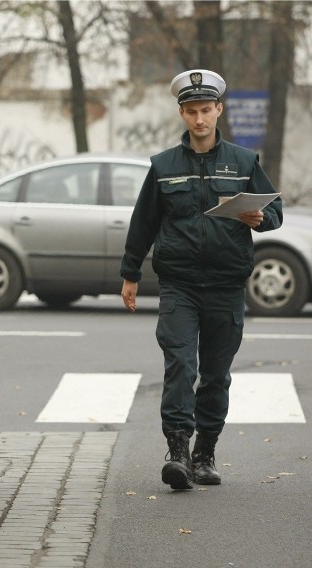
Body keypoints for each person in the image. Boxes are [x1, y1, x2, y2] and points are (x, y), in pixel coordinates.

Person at [119, 69, 283, 490]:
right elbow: (144, 222)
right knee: (179, 365)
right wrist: (130, 273)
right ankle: (177, 454)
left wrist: (260, 217)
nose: (199, 119)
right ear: (182, 113)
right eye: (191, 111)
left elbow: (275, 212)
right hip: (179, 284)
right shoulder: (164, 166)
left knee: (215, 374)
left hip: (227, 285)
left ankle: (205, 454)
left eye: (206, 110)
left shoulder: (244, 162)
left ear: (218, 110)